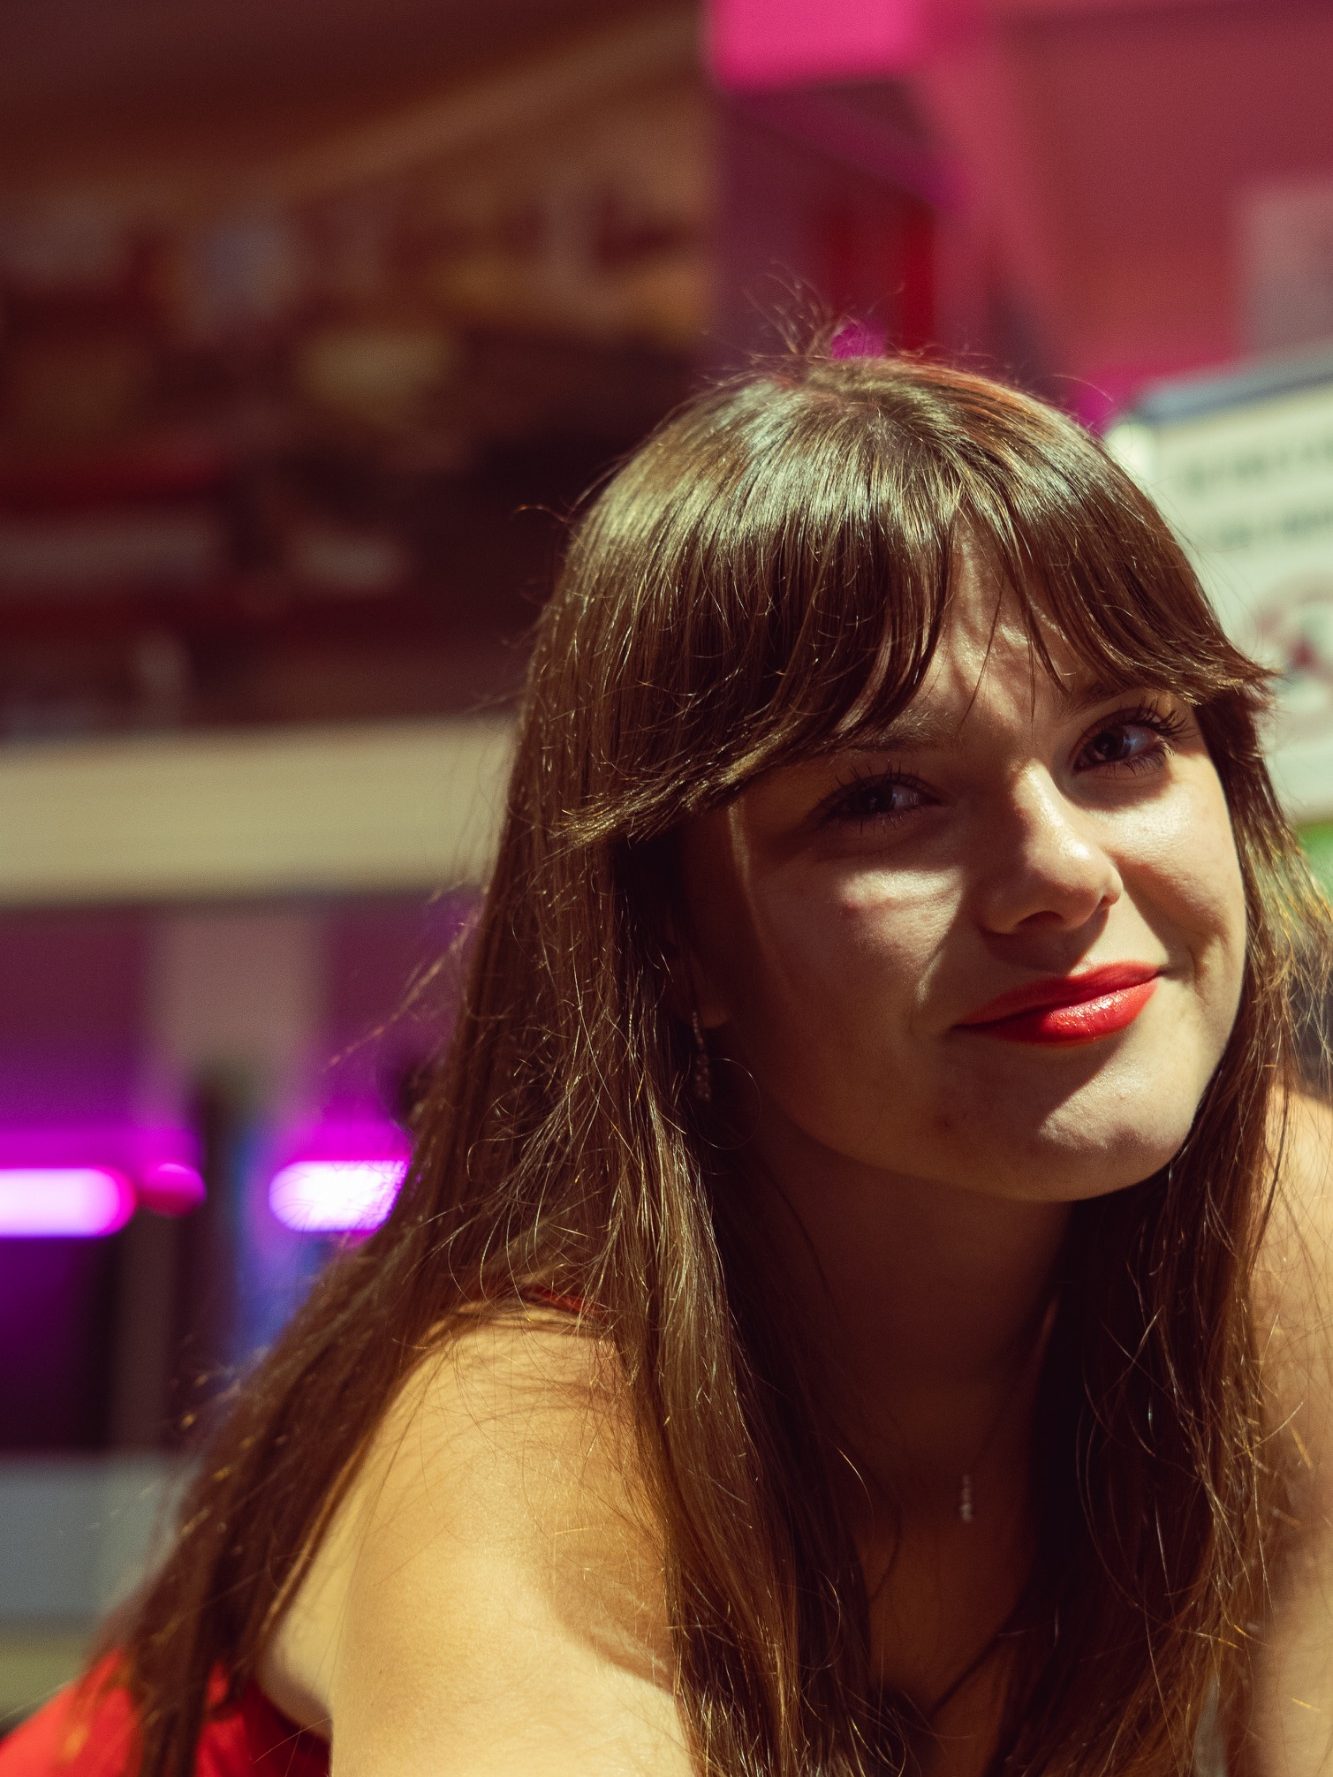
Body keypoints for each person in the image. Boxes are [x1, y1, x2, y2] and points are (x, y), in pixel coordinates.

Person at [3, 346, 1331, 1777]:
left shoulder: (1283, 1224)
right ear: (670, 943)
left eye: (1122, 738)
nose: (1059, 872)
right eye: (882, 797)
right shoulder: (530, 1433)